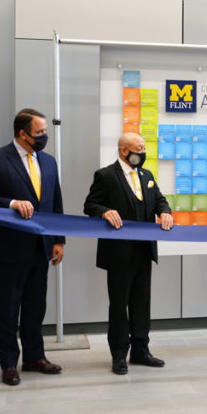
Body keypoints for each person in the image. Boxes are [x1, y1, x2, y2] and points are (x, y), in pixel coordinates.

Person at [0, 109, 65, 386]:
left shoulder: (48, 162)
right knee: (7, 307)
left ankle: (34, 357)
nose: (44, 137)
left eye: (45, 132)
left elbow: (55, 202)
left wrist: (59, 239)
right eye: (39, 133)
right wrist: (11, 203)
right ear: (22, 134)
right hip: (8, 246)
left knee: (36, 305)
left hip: (42, 245)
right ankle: (8, 363)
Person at [83, 133, 174, 375]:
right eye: (139, 148)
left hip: (144, 252)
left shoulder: (147, 175)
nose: (143, 153)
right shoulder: (105, 175)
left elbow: (160, 201)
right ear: (124, 151)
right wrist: (104, 211)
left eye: (143, 148)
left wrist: (165, 211)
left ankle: (141, 350)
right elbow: (89, 205)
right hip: (118, 254)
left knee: (142, 303)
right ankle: (119, 354)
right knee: (119, 305)